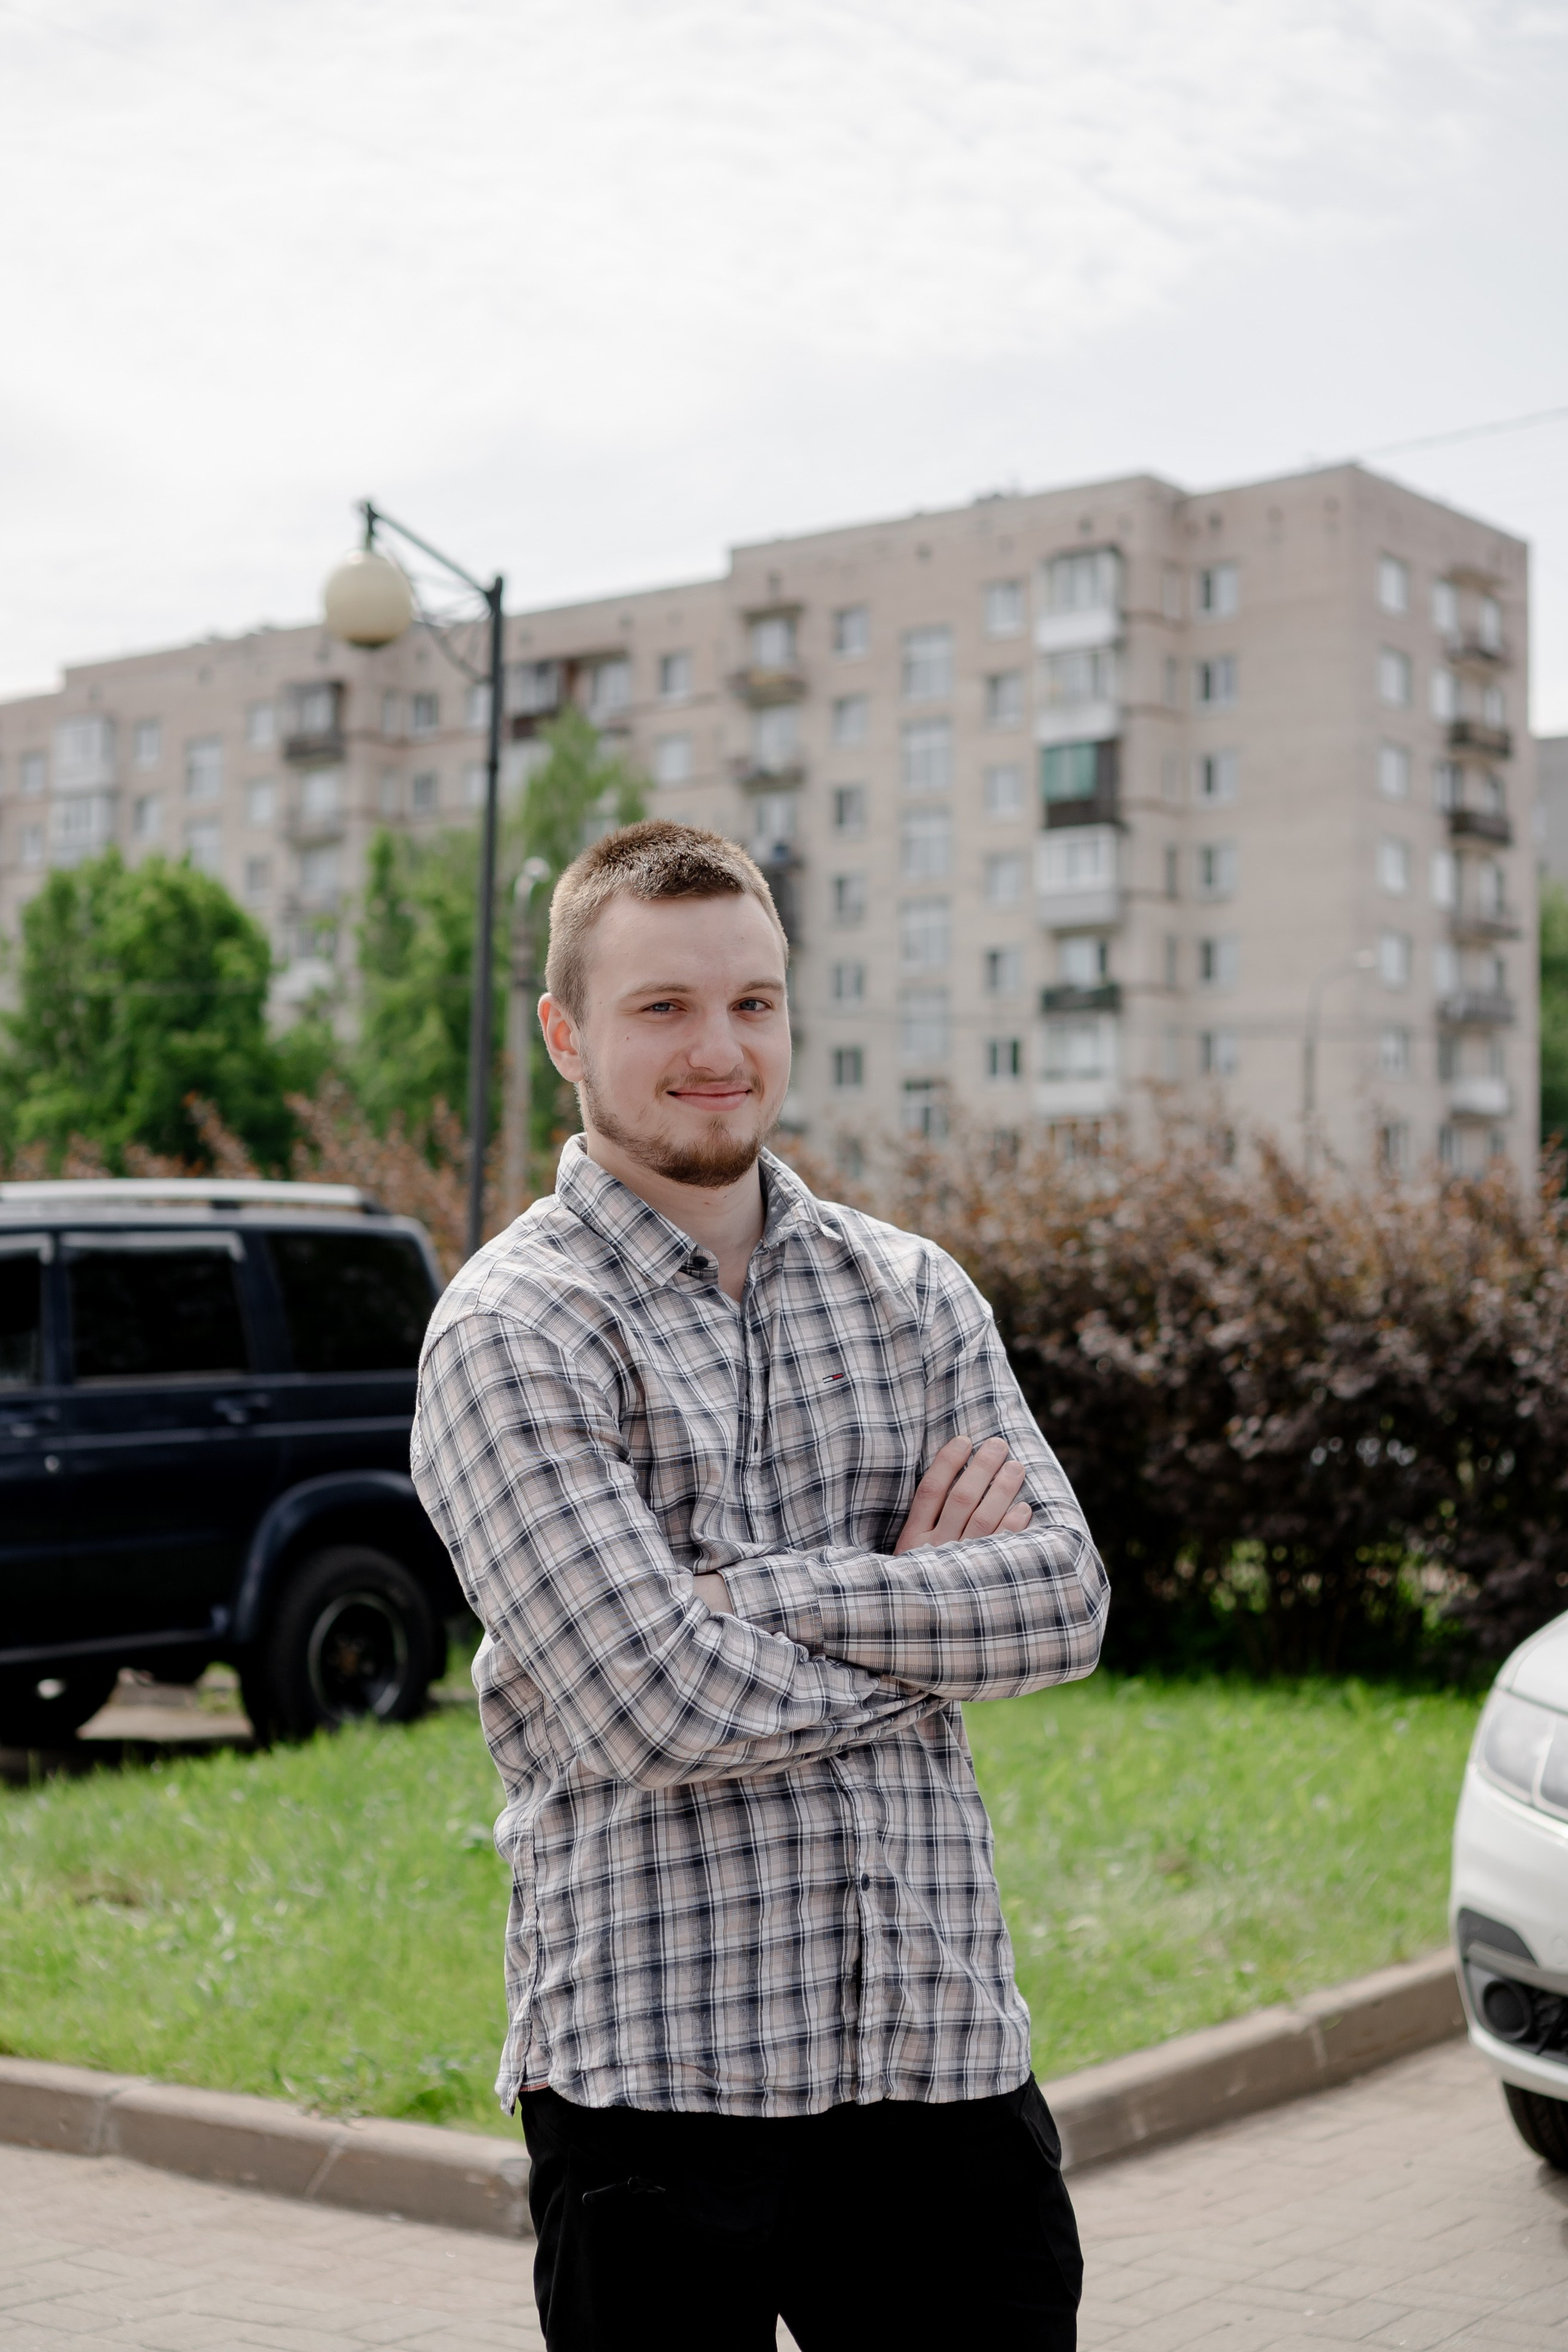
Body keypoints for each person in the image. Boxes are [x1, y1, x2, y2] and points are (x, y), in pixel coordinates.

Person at [411, 820, 1109, 2351]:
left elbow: (1062, 1601)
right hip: (659, 2095)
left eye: (753, 1001)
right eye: (661, 1007)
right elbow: (650, 1700)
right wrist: (920, 1608)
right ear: (565, 1034)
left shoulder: (912, 1291)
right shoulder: (512, 1330)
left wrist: (745, 1596)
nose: (718, 1047)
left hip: (937, 2069)